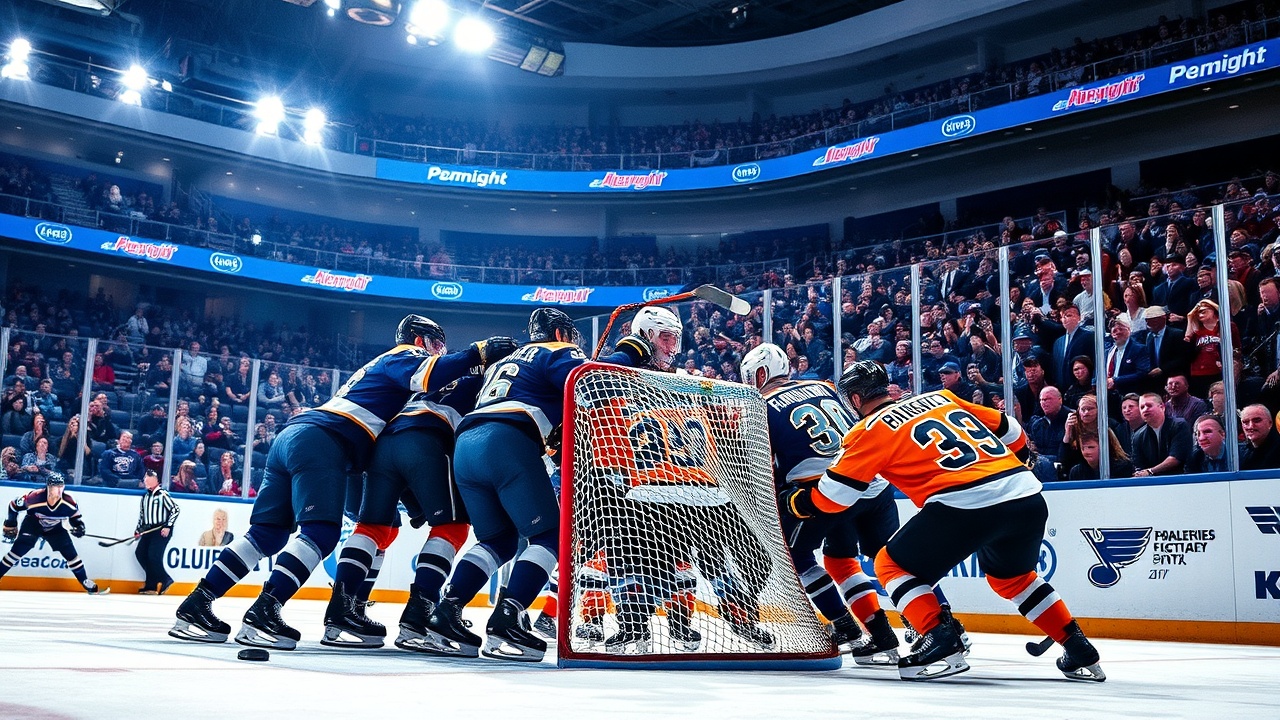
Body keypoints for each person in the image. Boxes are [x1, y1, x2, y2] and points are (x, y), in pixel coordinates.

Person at [170, 314, 515, 649]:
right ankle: (266, 609)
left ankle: (198, 602)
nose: (440, 351)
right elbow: (429, 379)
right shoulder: (406, 354)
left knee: (268, 534)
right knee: (321, 533)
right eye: (436, 344)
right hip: (325, 440)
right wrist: (478, 352)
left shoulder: (386, 373)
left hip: (301, 436)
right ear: (419, 340)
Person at [778, 360, 1102, 682]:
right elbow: (1011, 429)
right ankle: (1078, 647)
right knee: (1013, 579)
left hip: (965, 502)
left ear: (855, 399)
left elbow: (834, 497)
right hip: (1026, 494)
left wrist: (796, 501)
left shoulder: (867, 431)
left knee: (890, 565)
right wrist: (1021, 459)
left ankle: (939, 637)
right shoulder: (940, 397)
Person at [424, 308, 651, 662]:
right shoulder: (556, 350)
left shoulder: (508, 361)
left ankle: (447, 610)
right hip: (507, 441)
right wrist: (631, 351)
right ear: (560, 333)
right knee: (549, 537)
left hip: (466, 447)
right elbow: (590, 382)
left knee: (498, 541)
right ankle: (508, 617)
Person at [741, 343, 906, 663]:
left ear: (760, 375)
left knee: (796, 556)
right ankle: (894, 632)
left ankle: (844, 626)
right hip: (872, 483)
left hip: (824, 492)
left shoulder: (760, 406)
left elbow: (761, 466)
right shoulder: (825, 386)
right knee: (853, 559)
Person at [323, 373, 481, 651]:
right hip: (427, 438)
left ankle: (341, 610)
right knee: (452, 528)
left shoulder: (429, 378)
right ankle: (418, 616)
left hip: (383, 444)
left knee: (373, 529)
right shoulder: (481, 381)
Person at [0, 474, 107, 594]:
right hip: (33, 524)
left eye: (61, 486)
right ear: (48, 487)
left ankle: (85, 581)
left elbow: (75, 518)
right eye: (55, 486)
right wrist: (11, 523)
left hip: (55, 528)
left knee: (71, 554)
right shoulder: (34, 497)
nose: (58, 489)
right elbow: (13, 505)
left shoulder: (70, 502)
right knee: (17, 551)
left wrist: (79, 527)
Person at [135, 470, 180, 595]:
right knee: (140, 553)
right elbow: (142, 516)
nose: (145, 481)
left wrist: (168, 526)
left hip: (160, 530)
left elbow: (175, 509)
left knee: (153, 555)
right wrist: (138, 530)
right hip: (148, 530)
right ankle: (152, 584)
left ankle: (165, 579)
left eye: (147, 478)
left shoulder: (162, 495)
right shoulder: (145, 497)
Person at [1131, 393, 1193, 477]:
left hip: (1180, 478)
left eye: (1149, 405)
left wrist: (1150, 471)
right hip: (1152, 482)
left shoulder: (1179, 425)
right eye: (1142, 407)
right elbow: (1139, 465)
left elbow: (1176, 458)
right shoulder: (1138, 436)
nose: (1145, 409)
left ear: (1162, 407)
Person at [1067, 433, 1134, 480]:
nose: (1086, 452)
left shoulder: (1123, 467)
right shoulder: (1076, 472)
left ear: (1104, 447)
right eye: (1083, 448)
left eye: (1091, 447)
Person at [1239, 404, 1280, 470]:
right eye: (1245, 422)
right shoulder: (1242, 452)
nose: (1251, 426)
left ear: (1270, 423)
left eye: (1257, 421)